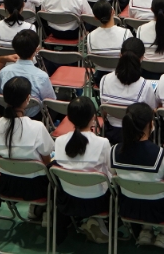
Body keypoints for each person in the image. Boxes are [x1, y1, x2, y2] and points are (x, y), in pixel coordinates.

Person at [111, 103, 164, 250]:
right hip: (160, 211)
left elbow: (114, 176)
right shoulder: (162, 155)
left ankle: (145, 231)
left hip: (128, 208)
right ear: (150, 124)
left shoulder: (114, 152)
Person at [51, 96, 113, 243]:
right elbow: (111, 172)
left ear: (69, 118)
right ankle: (98, 222)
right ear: (93, 118)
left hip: (68, 199)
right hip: (98, 202)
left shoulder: (59, 141)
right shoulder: (102, 142)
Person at [0, 76, 53, 219]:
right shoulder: (37, 127)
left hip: (7, 184)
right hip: (35, 187)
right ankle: (41, 211)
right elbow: (47, 159)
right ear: (28, 98)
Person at [99, 38, 158, 143]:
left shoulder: (104, 80)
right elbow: (151, 111)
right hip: (137, 136)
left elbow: (104, 110)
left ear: (120, 55)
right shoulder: (145, 85)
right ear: (142, 58)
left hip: (111, 133)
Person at [0, 30, 56, 115]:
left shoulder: (4, 71)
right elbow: (50, 100)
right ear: (37, 49)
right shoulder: (42, 76)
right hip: (35, 117)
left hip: (10, 114)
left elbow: (2, 94)